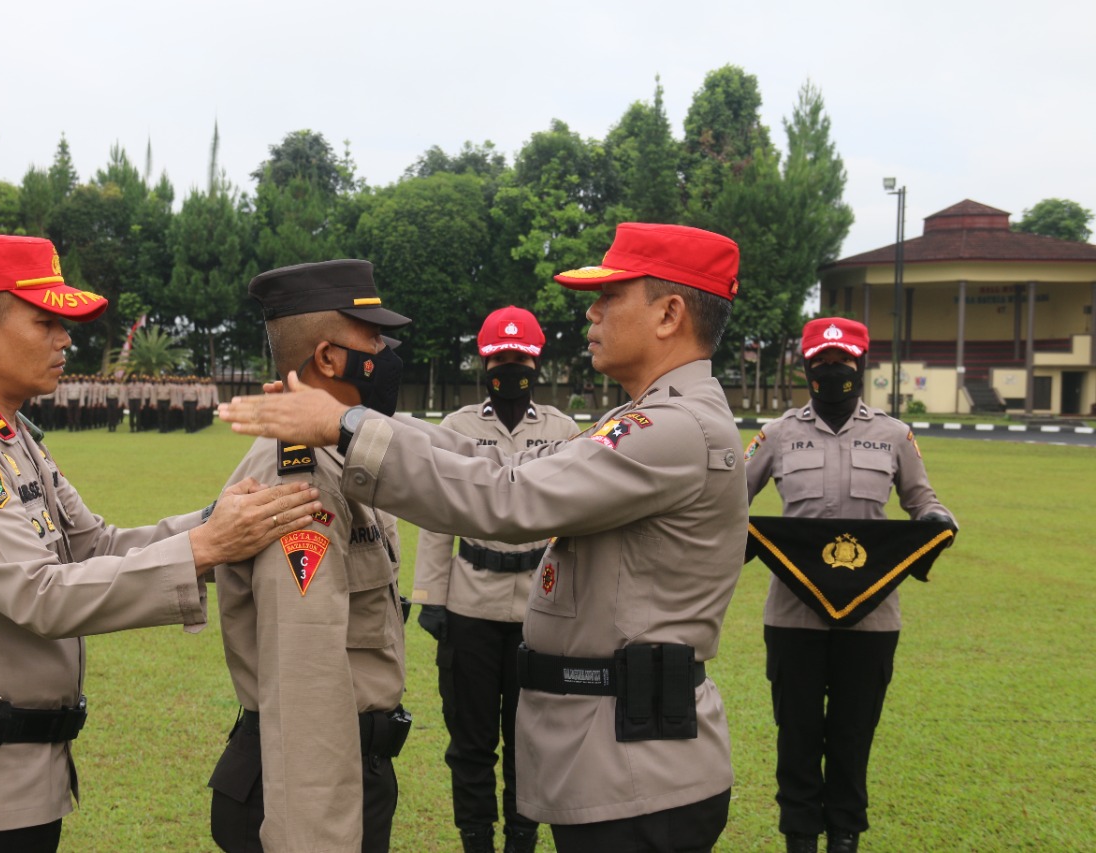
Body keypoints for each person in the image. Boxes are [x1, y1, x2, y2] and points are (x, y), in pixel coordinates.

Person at [220, 223, 748, 853]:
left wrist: (348, 423)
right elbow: (500, 461)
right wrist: (353, 423)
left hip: (641, 769)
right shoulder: (647, 417)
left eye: (611, 296)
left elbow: (509, 495)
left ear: (669, 314)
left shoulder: (673, 426)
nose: (592, 310)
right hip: (620, 758)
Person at [0, 233, 322, 853]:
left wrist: (216, 520)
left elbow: (93, 545)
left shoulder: (11, 435)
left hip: (10, 784)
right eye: (47, 321)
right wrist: (205, 547)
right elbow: (40, 596)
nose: (65, 339)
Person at [208, 259, 411, 853]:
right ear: (328, 358)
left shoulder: (340, 460)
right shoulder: (303, 479)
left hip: (348, 767)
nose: (386, 350)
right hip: (308, 783)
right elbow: (306, 683)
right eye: (372, 338)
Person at [744, 317, 957, 853]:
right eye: (821, 363)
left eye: (842, 363)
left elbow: (922, 501)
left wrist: (937, 521)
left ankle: (844, 837)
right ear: (806, 368)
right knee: (795, 733)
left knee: (852, 733)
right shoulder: (776, 435)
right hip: (792, 613)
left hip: (873, 614)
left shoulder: (893, 435)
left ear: (861, 367)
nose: (832, 372)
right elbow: (728, 502)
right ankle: (799, 837)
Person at [413, 306, 579, 853]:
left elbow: (580, 523)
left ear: (537, 362)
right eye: (500, 358)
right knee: (472, 739)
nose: (511, 368)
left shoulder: (563, 431)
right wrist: (430, 598)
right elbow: (438, 515)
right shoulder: (457, 429)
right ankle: (477, 840)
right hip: (470, 606)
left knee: (531, 740)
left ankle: (522, 840)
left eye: (521, 358)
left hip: (542, 608)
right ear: (484, 364)